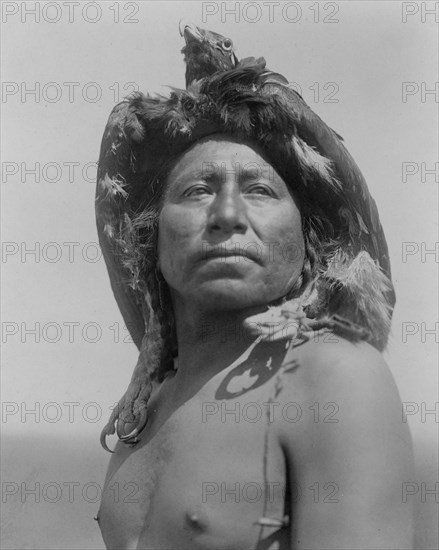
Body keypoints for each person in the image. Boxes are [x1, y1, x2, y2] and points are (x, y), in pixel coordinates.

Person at [95, 66, 414, 550]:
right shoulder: (147, 406)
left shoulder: (332, 376)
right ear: (150, 236)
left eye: (260, 190)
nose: (227, 216)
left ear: (308, 240)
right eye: (197, 190)